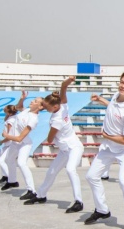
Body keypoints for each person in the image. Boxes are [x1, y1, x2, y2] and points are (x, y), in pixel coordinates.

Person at [84, 72, 124, 229]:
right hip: (108, 147)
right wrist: (101, 100)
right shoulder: (116, 96)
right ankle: (102, 210)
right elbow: (112, 107)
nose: (123, 86)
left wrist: (106, 135)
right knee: (91, 176)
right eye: (122, 82)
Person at [23, 77, 85, 213]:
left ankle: (78, 201)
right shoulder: (63, 107)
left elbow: (50, 139)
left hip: (74, 148)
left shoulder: (57, 119)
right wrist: (68, 81)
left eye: (46, 106)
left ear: (55, 107)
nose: (45, 107)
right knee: (51, 172)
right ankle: (41, 195)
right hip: (64, 150)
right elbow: (63, 88)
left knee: (70, 170)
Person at [1, 94, 43, 199]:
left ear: (40, 107)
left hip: (24, 144)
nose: (32, 101)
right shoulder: (27, 110)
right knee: (8, 159)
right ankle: (12, 181)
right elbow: (18, 107)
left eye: (35, 101)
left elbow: (20, 138)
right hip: (15, 143)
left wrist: (6, 136)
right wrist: (22, 98)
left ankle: (31, 190)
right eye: (33, 100)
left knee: (21, 163)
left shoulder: (33, 119)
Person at [0, 104, 19, 184]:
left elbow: (9, 135)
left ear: (9, 113)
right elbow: (5, 119)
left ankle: (10, 178)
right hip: (9, 143)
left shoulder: (10, 121)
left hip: (11, 143)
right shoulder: (14, 118)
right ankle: (5, 176)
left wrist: (2, 141)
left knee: (1, 160)